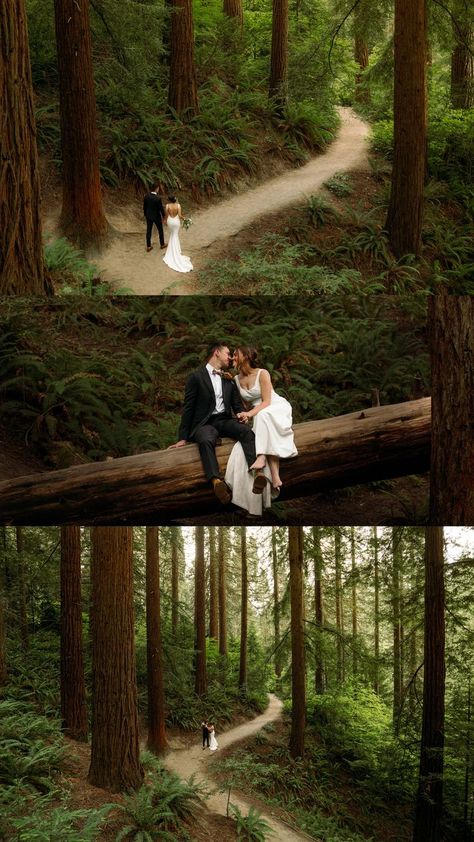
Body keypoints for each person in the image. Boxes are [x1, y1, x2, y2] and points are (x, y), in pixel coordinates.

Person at [168, 342, 266, 504]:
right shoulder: (196, 377)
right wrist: (182, 437)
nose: (231, 357)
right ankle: (216, 481)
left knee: (245, 431)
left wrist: (243, 414)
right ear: (216, 353)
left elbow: (236, 405)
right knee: (205, 439)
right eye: (228, 353)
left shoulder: (228, 379)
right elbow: (188, 408)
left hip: (224, 420)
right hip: (204, 424)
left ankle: (258, 473)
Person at [225, 346, 297, 515]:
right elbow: (243, 405)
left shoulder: (262, 373)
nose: (233, 357)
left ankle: (262, 457)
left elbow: (266, 401)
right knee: (260, 424)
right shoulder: (236, 379)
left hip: (274, 407)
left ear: (247, 356)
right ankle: (275, 477)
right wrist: (243, 415)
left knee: (263, 417)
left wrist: (250, 414)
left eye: (236, 354)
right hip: (258, 415)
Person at [163, 195, 193, 273]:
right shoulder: (178, 205)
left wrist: (165, 220)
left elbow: (166, 215)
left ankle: (173, 251)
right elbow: (179, 216)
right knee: (175, 235)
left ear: (169, 200)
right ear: (175, 199)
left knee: (172, 235)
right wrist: (185, 219)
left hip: (170, 221)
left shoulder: (167, 206)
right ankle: (176, 251)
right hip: (176, 222)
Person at [143, 185, 166, 252]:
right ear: (157, 189)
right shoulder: (158, 198)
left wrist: (145, 214)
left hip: (148, 216)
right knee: (160, 230)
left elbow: (144, 207)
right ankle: (162, 244)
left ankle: (148, 246)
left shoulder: (146, 196)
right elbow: (161, 208)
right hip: (156, 216)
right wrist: (164, 216)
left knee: (149, 230)